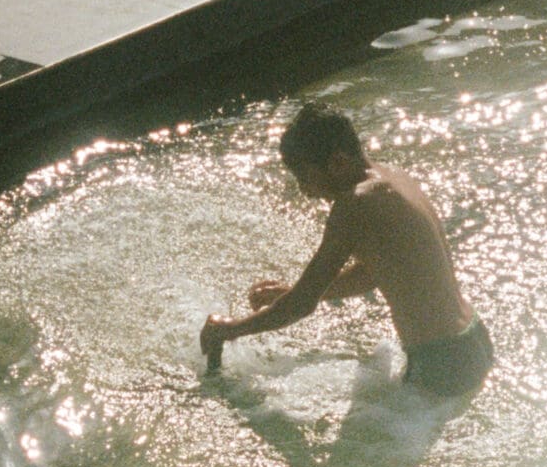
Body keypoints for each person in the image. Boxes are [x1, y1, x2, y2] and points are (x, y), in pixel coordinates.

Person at [201, 102, 493, 398]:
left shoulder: (354, 204)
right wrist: (291, 293)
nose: (306, 191)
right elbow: (371, 274)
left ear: (338, 162)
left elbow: (301, 305)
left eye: (305, 178)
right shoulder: (393, 177)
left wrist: (228, 329)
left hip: (440, 361)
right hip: (471, 340)